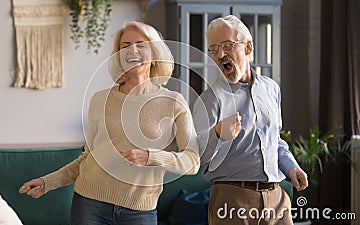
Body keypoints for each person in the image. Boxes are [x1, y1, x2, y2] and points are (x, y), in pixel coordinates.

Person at [19, 21, 200, 225]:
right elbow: (88, 157)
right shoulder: (99, 100)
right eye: (125, 46)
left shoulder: (174, 102)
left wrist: (151, 156)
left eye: (141, 44)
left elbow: (192, 161)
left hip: (140, 211)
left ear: (155, 54)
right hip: (89, 205)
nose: (133, 50)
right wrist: (48, 182)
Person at [192, 15, 308, 225]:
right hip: (232, 201)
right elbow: (195, 154)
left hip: (277, 199)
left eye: (227, 45)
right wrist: (218, 134)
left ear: (247, 47)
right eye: (214, 49)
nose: (221, 54)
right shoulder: (209, 100)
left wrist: (292, 167)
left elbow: (275, 141)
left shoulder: (271, 88)